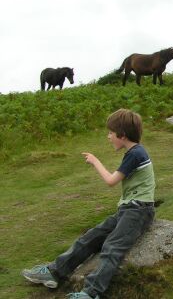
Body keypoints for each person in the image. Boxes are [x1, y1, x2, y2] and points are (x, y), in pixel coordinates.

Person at [22, 109, 156, 299]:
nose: (108, 136)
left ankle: (91, 293)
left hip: (138, 211)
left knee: (111, 248)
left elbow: (111, 181)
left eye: (110, 132)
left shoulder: (135, 154)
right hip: (128, 209)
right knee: (90, 237)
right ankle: (54, 272)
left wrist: (95, 161)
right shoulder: (134, 152)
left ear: (122, 134)